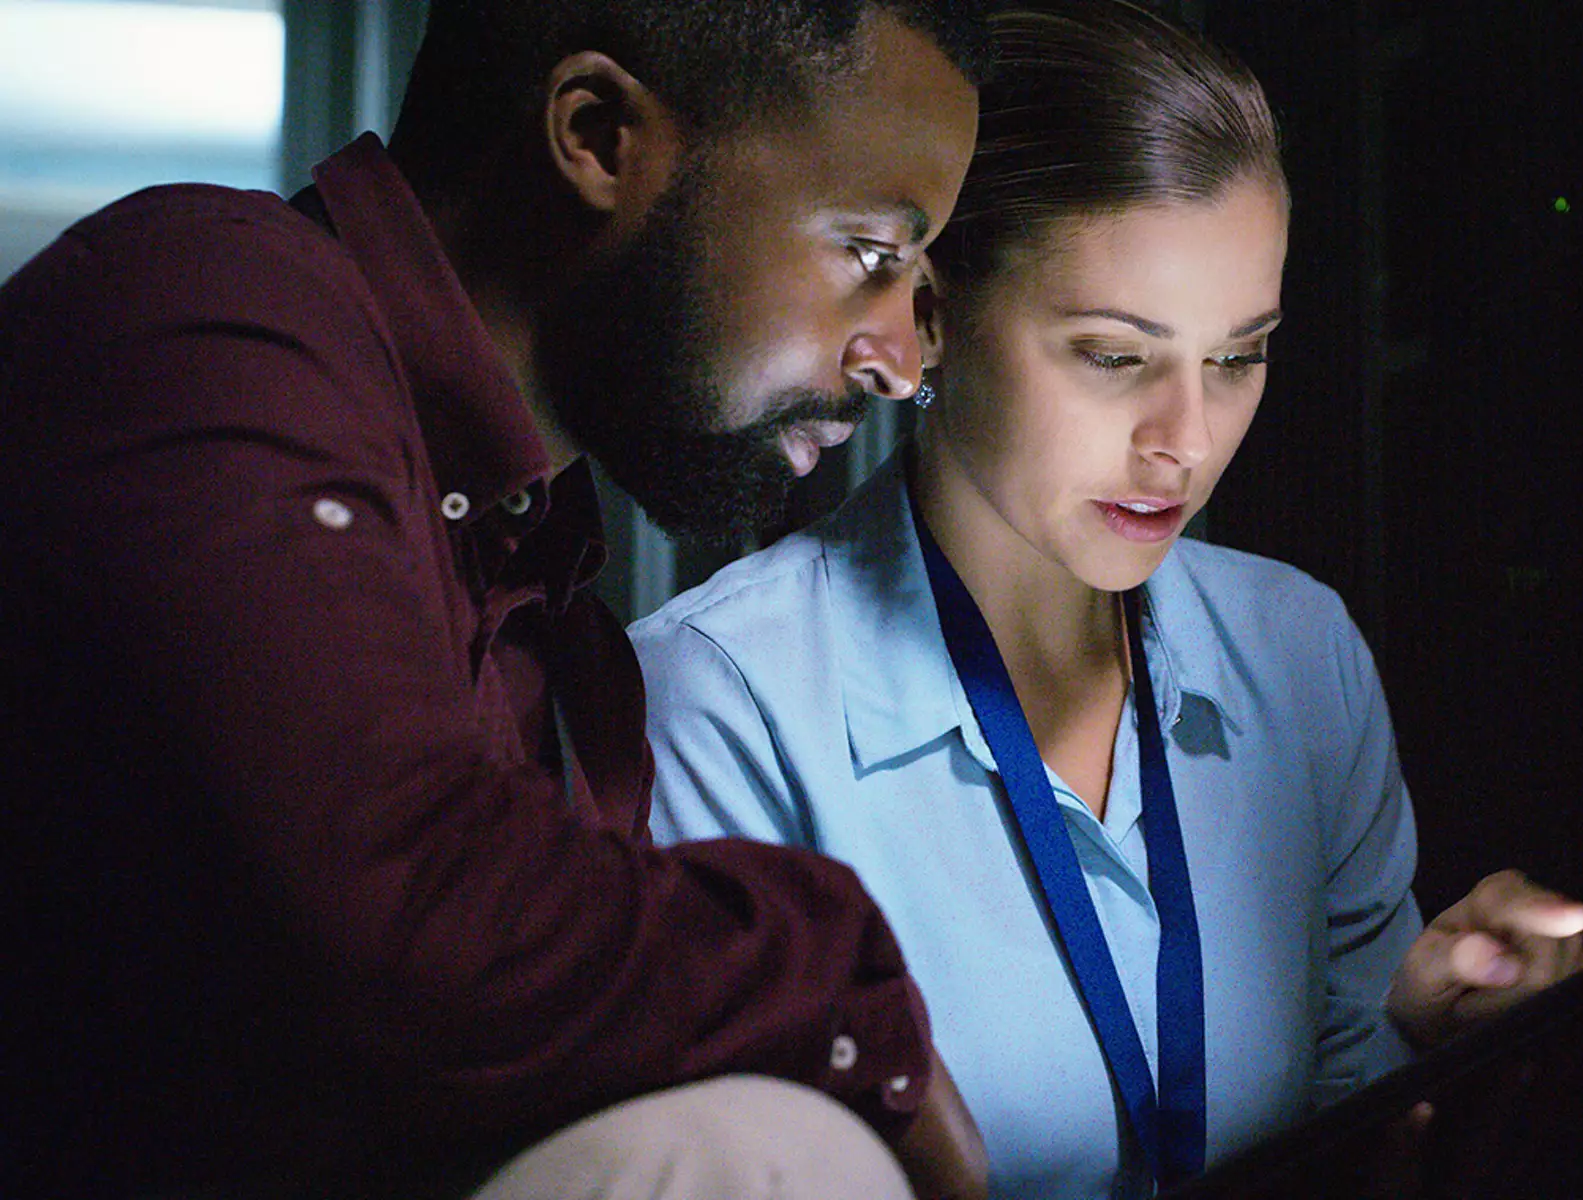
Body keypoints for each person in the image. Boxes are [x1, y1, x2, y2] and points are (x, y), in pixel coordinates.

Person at [0, 2, 997, 1198]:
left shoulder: (558, 624)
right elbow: (398, 930)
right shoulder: (205, 304)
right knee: (759, 1159)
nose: (896, 358)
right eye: (871, 255)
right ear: (595, 135)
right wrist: (842, 982)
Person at [632, 3, 1583, 1197]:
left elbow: (1345, 1145)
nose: (1184, 443)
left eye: (1237, 355)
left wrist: (1430, 1039)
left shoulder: (1298, 654)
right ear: (929, 318)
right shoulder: (719, 702)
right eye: (1111, 355)